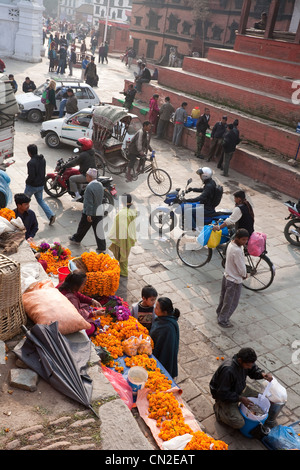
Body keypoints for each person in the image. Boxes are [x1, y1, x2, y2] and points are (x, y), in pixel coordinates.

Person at [209, 347, 273, 430]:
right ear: (240, 360)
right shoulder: (228, 371)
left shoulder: (246, 363)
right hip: (226, 396)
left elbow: (253, 369)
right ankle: (219, 410)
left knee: (261, 398)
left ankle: (237, 408)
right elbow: (222, 393)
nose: (249, 367)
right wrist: (240, 398)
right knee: (239, 423)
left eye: (251, 365)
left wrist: (262, 374)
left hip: (240, 388)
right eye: (247, 365)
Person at [216, 228, 249, 328]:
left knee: (223, 298)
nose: (245, 242)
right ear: (237, 238)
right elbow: (241, 267)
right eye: (243, 240)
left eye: (246, 240)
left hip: (227, 276)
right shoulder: (237, 250)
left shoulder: (231, 244)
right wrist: (245, 274)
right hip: (234, 280)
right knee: (231, 302)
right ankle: (223, 320)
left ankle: (219, 313)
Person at [69, 168, 106, 253]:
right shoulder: (100, 185)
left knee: (83, 226)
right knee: (99, 230)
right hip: (99, 211)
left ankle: (76, 239)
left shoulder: (89, 187)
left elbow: (88, 202)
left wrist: (89, 215)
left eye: (86, 175)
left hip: (90, 213)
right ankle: (102, 247)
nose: (85, 177)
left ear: (90, 177)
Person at [57, 270, 102, 337]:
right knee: (91, 327)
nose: (84, 286)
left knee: (85, 306)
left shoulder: (65, 285)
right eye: (83, 284)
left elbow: (78, 295)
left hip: (60, 311)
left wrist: (92, 300)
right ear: (76, 285)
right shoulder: (71, 299)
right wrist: (95, 313)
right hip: (62, 320)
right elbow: (78, 317)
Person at [24, 144, 56, 225]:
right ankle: (51, 215)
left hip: (31, 186)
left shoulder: (31, 163)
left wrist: (27, 182)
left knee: (24, 202)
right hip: (41, 185)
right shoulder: (42, 159)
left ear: (29, 153)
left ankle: (24, 219)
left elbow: (31, 176)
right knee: (41, 201)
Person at [150, 297, 180, 379]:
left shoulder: (167, 328)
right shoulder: (161, 318)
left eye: (157, 308)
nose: (154, 309)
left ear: (165, 312)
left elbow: (163, 349)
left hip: (162, 355)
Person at [109, 193, 137, 277]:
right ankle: (121, 270)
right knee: (124, 255)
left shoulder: (123, 213)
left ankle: (123, 272)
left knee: (121, 255)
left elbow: (122, 228)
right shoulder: (132, 209)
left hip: (123, 237)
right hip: (130, 236)